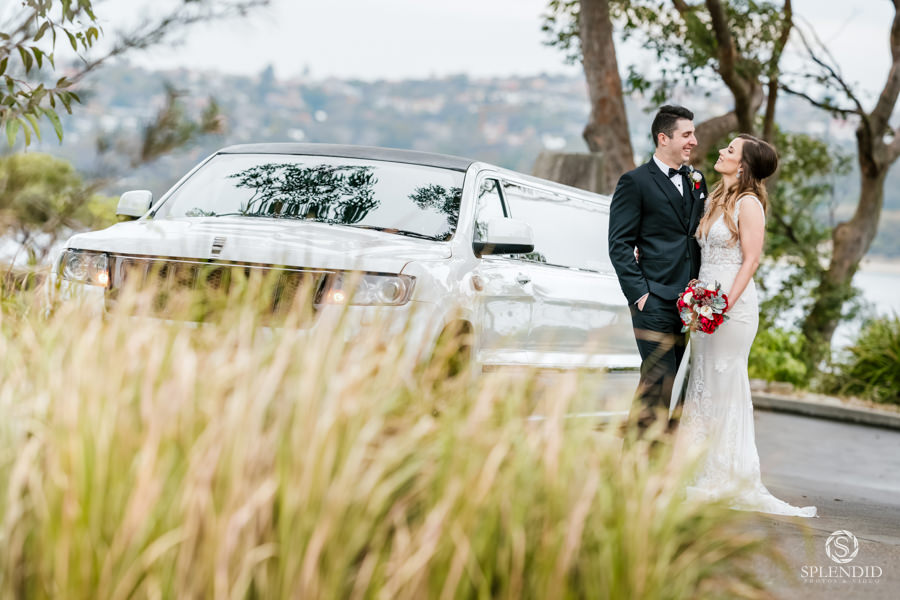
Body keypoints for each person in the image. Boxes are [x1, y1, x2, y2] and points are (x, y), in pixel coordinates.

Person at [673, 134, 817, 517]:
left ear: (744, 166)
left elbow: (750, 260)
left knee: (723, 381)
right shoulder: (715, 198)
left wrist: (722, 306)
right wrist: (698, 298)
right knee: (702, 382)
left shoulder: (749, 203)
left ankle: (726, 474)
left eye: (731, 150)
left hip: (731, 308)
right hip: (704, 303)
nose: (722, 151)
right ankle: (696, 468)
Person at [608, 105, 708, 432]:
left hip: (689, 303)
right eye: (687, 134)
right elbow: (619, 244)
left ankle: (657, 454)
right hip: (653, 300)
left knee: (674, 383)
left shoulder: (696, 180)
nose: (694, 141)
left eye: (693, 134)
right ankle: (636, 457)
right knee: (658, 381)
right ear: (663, 138)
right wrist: (640, 295)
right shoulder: (634, 182)